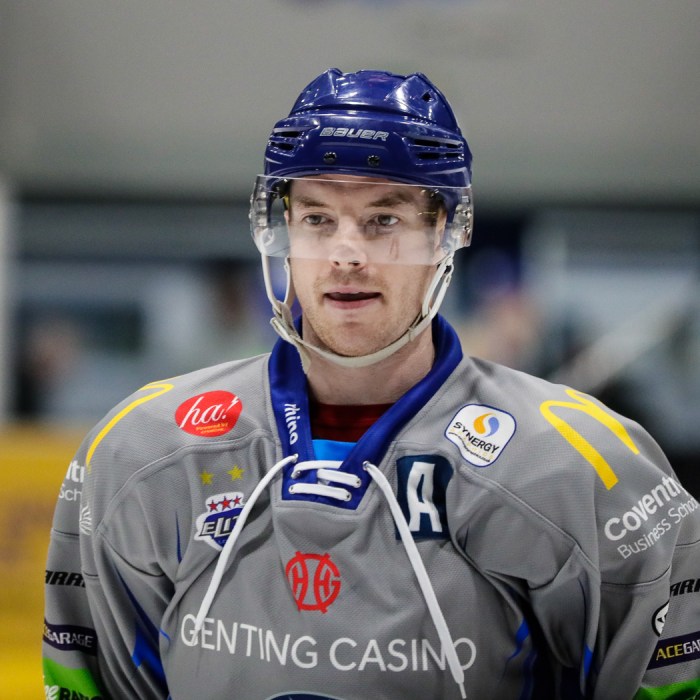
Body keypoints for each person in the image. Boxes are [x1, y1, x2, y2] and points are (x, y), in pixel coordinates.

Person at [43, 68, 700, 700]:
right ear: (281, 231)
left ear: (444, 234)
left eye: (384, 221)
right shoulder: (145, 452)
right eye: (317, 219)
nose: (346, 254)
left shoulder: (579, 466)